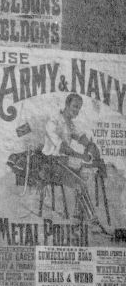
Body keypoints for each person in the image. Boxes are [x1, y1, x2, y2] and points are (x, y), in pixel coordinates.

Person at [41, 93, 106, 231]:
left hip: (62, 162)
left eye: (79, 108)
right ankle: (93, 222)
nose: (77, 110)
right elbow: (63, 147)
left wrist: (91, 146)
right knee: (80, 182)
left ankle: (77, 217)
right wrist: (81, 156)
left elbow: (81, 137)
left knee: (85, 174)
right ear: (66, 105)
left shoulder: (70, 123)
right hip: (50, 164)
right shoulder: (53, 121)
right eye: (75, 107)